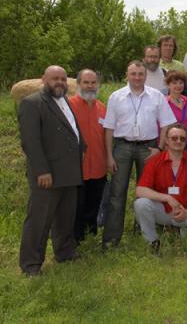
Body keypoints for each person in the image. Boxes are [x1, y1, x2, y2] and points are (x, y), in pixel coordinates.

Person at [18, 65, 84, 275]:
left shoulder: (64, 100)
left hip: (69, 172)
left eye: (63, 79)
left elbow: (71, 130)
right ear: (43, 80)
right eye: (55, 79)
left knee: (65, 218)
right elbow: (30, 142)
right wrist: (41, 171)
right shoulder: (32, 103)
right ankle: (31, 264)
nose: (60, 83)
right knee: (39, 220)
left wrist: (82, 148)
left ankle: (64, 253)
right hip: (47, 175)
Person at [102, 60, 177, 248]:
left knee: (148, 194)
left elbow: (167, 123)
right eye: (133, 74)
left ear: (145, 75)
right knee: (117, 194)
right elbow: (109, 128)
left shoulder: (156, 96)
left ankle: (146, 235)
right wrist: (109, 156)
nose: (137, 77)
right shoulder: (115, 97)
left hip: (148, 148)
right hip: (122, 147)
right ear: (127, 74)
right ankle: (111, 240)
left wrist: (159, 148)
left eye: (140, 74)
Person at [134, 124, 187, 253]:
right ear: (167, 140)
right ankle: (152, 241)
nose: (178, 141)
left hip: (186, 210)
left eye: (182, 138)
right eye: (174, 138)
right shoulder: (155, 161)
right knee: (141, 203)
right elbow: (140, 190)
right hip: (163, 210)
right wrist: (167, 198)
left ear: (186, 142)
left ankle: (181, 232)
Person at [69, 69, 107, 243]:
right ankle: (76, 240)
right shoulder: (69, 106)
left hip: (99, 166)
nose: (90, 86)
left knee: (94, 203)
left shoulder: (102, 108)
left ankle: (90, 236)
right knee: (77, 206)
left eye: (93, 83)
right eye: (86, 82)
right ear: (78, 85)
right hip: (77, 167)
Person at [165, 70, 187, 152]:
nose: (178, 85)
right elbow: (160, 128)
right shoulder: (164, 104)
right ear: (168, 85)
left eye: (181, 82)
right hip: (170, 146)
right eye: (174, 83)